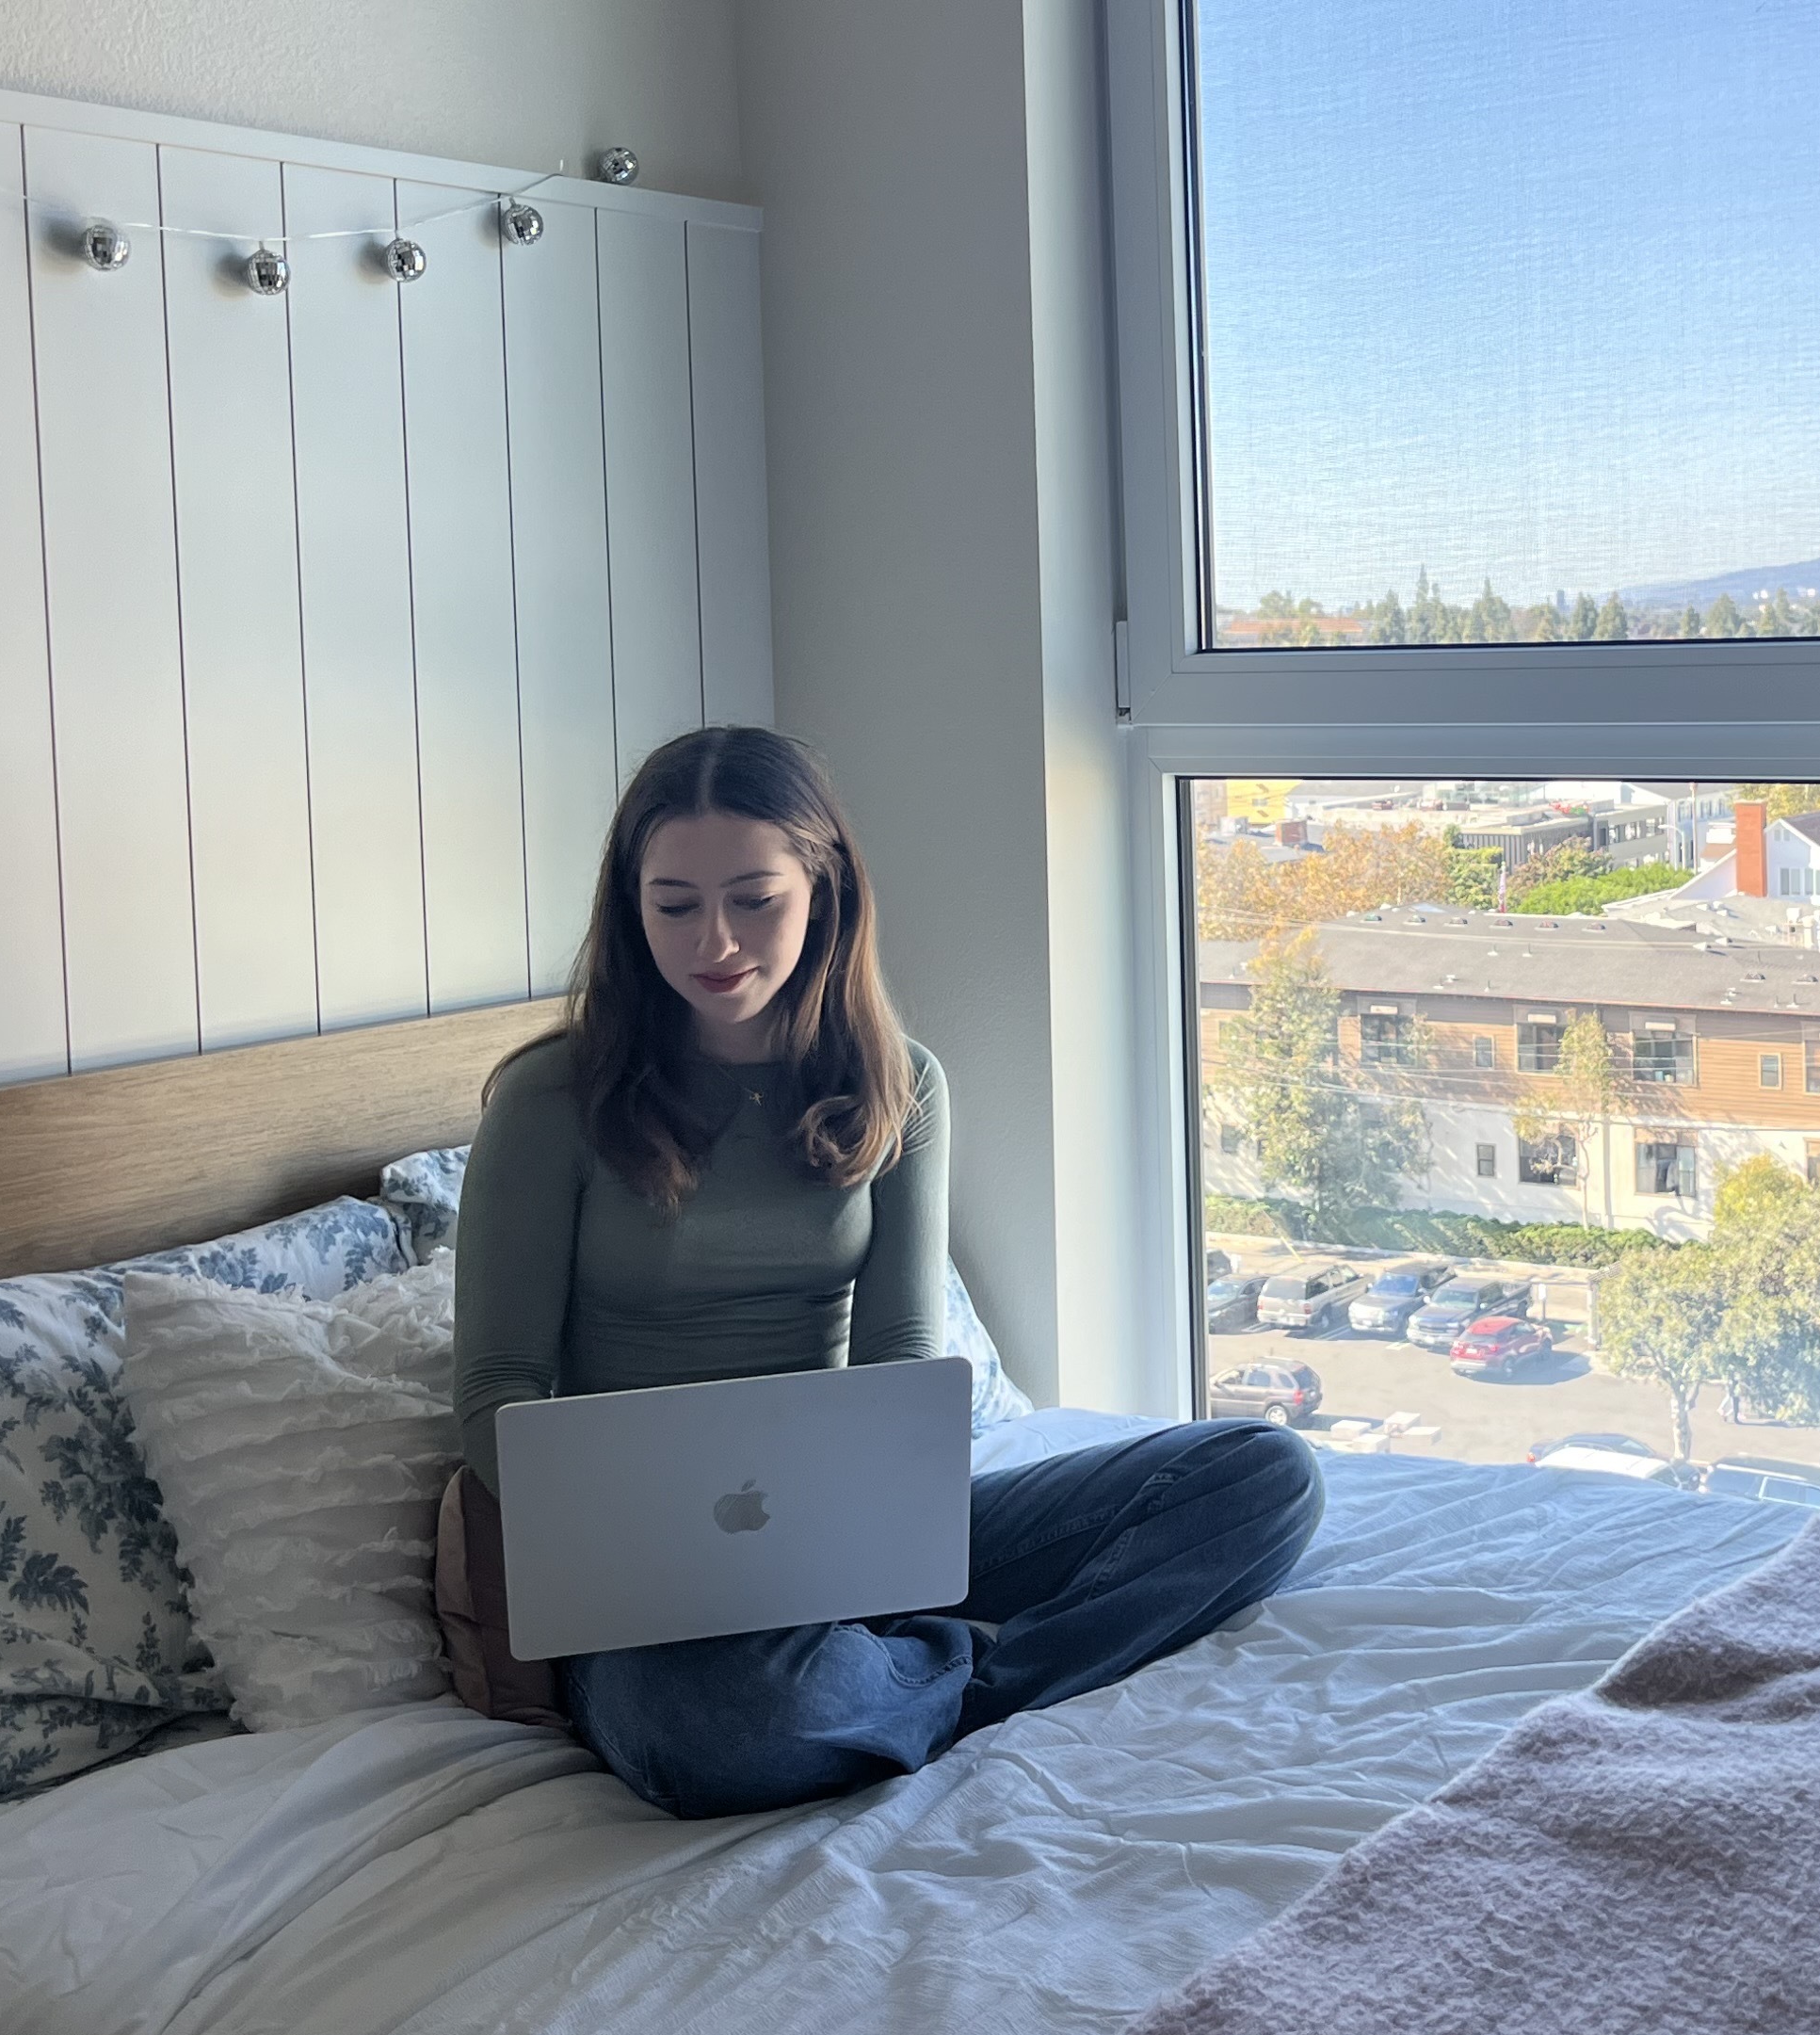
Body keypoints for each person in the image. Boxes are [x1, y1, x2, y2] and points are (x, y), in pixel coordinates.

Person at [450, 725, 1320, 1817]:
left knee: (1262, 1480)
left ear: (823, 887)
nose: (714, 939)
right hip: (652, 1583)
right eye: (673, 905)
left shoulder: (900, 1082)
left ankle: (909, 1672)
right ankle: (920, 1677)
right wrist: (645, 1501)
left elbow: (904, 1358)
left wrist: (862, 1534)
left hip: (844, 1537)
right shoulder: (548, 1102)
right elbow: (495, 1395)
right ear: (630, 907)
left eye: (753, 898)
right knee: (719, 1734)